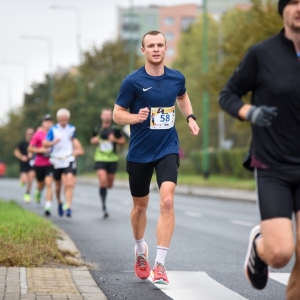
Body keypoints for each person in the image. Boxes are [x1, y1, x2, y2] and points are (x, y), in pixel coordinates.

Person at [219, 0, 300, 298]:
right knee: (280, 254)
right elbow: (227, 95)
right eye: (293, 2)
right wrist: (249, 112)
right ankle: (259, 244)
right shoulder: (262, 54)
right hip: (272, 166)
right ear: (283, 10)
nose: (299, 8)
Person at [113, 30, 200, 285]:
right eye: (150, 45)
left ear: (165, 49)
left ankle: (160, 264)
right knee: (140, 207)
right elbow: (118, 113)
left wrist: (190, 117)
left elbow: (182, 96)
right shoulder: (132, 81)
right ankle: (141, 251)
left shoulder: (176, 78)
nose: (155, 49)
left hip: (167, 148)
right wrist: (134, 118)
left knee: (168, 202)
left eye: (160, 45)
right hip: (140, 152)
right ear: (143, 50)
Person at [43, 108, 84, 217]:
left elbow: (73, 140)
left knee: (69, 182)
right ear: (58, 119)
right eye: (61, 119)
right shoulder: (53, 129)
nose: (63, 122)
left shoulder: (71, 128)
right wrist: (53, 142)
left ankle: (69, 207)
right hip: (56, 160)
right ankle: (60, 202)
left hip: (68, 158)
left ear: (68, 119)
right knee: (57, 186)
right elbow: (45, 143)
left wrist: (77, 149)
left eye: (65, 119)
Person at [90, 108, 126, 219]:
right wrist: (95, 140)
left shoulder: (115, 128)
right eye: (104, 115)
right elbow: (91, 140)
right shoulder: (97, 128)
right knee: (103, 181)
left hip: (112, 159)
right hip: (100, 158)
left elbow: (122, 141)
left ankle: (105, 190)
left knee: (109, 184)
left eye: (108, 115)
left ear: (111, 117)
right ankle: (104, 206)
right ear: (101, 116)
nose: (106, 117)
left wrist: (114, 140)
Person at [28, 114, 54, 216]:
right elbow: (29, 149)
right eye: (46, 121)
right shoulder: (38, 134)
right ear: (43, 123)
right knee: (40, 184)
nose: (48, 123)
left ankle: (48, 206)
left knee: (49, 183)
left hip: (50, 163)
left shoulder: (54, 133)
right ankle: (38, 191)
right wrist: (40, 150)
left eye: (50, 121)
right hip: (39, 163)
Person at [13, 128, 35, 203]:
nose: (30, 136)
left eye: (32, 134)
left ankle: (27, 194)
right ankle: (22, 181)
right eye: (29, 134)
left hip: (31, 163)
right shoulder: (22, 143)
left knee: (31, 178)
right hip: (23, 164)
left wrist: (32, 155)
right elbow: (16, 152)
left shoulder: (34, 143)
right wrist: (21, 157)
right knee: (24, 179)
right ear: (26, 135)